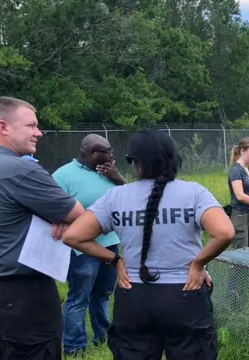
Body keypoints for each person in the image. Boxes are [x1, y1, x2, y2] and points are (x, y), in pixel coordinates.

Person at [61, 129, 235, 360]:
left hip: (133, 294)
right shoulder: (194, 192)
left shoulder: (116, 197)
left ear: (136, 163)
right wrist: (197, 265)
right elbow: (224, 232)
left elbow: (73, 236)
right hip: (185, 293)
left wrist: (115, 260)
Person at [0, 96, 84, 360]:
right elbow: (81, 216)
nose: (38, 133)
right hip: (23, 295)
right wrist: (59, 216)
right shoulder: (19, 170)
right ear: (3, 127)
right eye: (31, 125)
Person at [52, 134, 127, 356]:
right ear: (92, 153)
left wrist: (118, 177)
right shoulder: (63, 175)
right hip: (81, 249)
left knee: (103, 294)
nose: (112, 155)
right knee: (78, 297)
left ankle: (102, 336)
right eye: (107, 151)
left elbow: (133, 197)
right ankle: (75, 347)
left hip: (110, 245)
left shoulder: (109, 172)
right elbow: (52, 207)